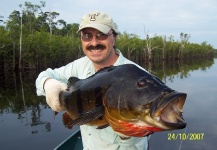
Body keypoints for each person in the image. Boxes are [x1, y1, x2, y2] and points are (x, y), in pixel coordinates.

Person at [35, 11, 149, 150]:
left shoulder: (139, 79)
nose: (94, 43)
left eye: (101, 35)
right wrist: (48, 83)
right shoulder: (79, 65)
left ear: (114, 38)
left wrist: (127, 135)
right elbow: (45, 75)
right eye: (87, 36)